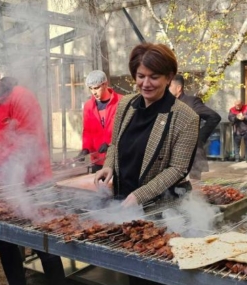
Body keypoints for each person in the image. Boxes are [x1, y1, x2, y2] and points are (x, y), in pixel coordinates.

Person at [94, 43, 199, 285]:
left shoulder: (184, 117)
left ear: (169, 77)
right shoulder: (126, 105)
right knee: (133, 273)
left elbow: (178, 168)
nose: (146, 83)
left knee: (156, 276)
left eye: (154, 77)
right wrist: (109, 165)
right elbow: (115, 144)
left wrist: (139, 195)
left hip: (162, 210)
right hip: (123, 200)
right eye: (140, 76)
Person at [0, 57, 65, 285]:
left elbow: (29, 141)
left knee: (44, 243)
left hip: (35, 184)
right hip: (5, 188)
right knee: (4, 241)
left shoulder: (20, 97)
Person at [169, 74, 221, 180]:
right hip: (171, 154)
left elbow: (214, 117)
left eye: (169, 86)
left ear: (178, 88)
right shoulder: (167, 104)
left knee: (194, 186)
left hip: (192, 153)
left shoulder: (191, 102)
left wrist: (200, 137)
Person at [78, 70, 121, 173]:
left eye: (97, 88)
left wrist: (111, 144)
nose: (94, 92)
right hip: (97, 160)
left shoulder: (120, 102)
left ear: (105, 84)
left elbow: (125, 130)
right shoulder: (88, 106)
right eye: (91, 88)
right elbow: (87, 130)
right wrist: (85, 148)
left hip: (116, 159)